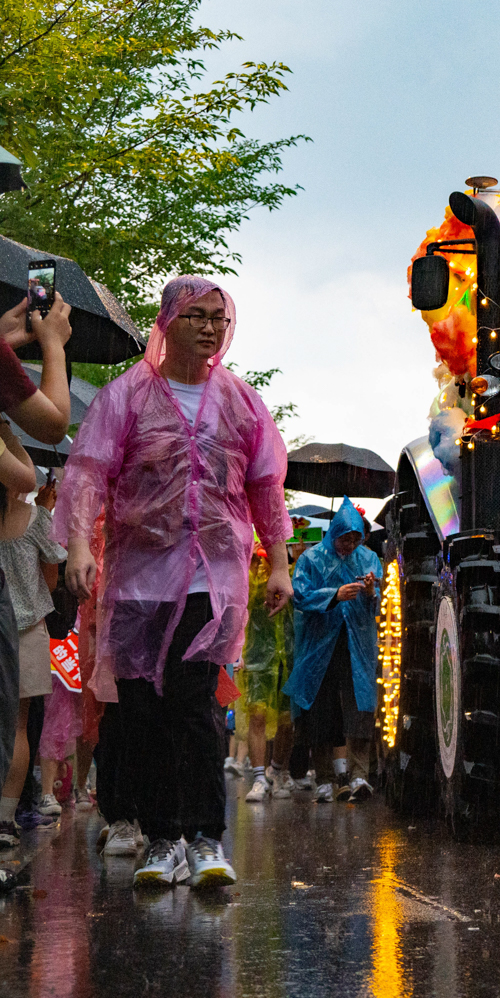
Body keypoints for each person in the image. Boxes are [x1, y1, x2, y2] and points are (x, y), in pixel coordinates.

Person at [57, 276, 293, 890]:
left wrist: (281, 560)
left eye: (219, 316)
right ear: (168, 322)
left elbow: (265, 486)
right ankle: (163, 839)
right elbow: (86, 474)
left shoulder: (240, 402)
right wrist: (80, 545)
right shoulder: (126, 398)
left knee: (192, 704)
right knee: (143, 708)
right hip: (140, 579)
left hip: (210, 581)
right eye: (195, 315)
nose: (210, 327)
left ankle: (207, 837)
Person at [282, 499, 381, 804]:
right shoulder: (311, 559)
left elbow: (376, 601)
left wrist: (368, 591)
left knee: (359, 708)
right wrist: (334, 595)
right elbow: (300, 596)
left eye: (356, 538)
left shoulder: (369, 558)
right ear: (334, 533)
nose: (351, 544)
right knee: (321, 709)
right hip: (321, 646)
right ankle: (325, 777)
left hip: (357, 645)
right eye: (346, 538)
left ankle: (359, 774)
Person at [0, 447, 68, 835]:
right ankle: (5, 818)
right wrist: (44, 509)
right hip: (26, 630)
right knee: (19, 726)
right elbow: (53, 580)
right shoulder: (34, 518)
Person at [239, 545, 291, 803]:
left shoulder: (289, 575)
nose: (262, 564)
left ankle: (277, 770)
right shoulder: (246, 580)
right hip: (257, 657)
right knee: (257, 716)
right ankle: (259, 777)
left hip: (288, 659)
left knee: (287, 721)